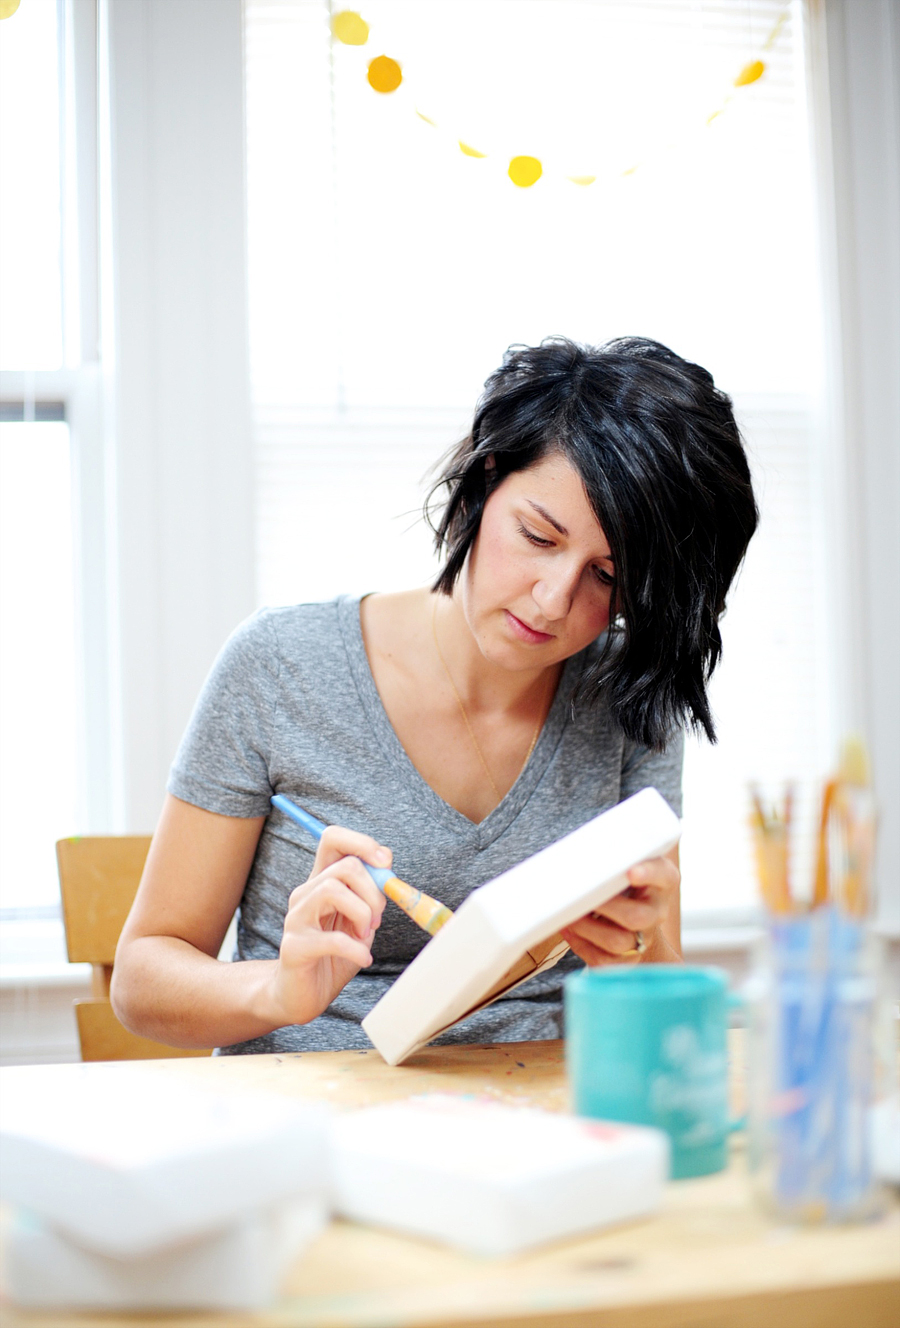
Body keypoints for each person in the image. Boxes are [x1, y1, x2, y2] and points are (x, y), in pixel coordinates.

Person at [111, 336, 758, 1054]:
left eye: (606, 577)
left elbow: (659, 1007)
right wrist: (275, 990)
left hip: (539, 1123)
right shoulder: (279, 668)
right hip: (310, 1125)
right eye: (538, 537)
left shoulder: (629, 697)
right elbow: (141, 980)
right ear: (485, 483)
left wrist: (645, 961)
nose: (552, 600)